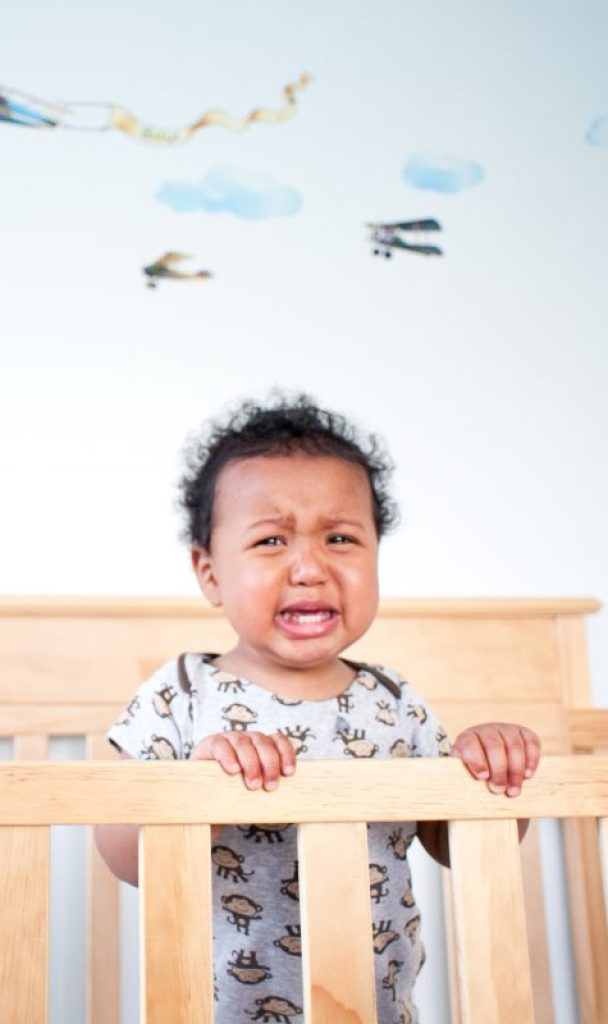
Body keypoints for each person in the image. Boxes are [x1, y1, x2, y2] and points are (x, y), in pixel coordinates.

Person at [94, 394, 540, 1024]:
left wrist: (490, 770)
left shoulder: (394, 700)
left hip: (376, 1009)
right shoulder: (182, 692)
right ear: (210, 572)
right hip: (216, 1011)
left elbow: (457, 840)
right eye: (271, 540)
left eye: (340, 537)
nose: (309, 566)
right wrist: (195, 792)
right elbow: (121, 853)